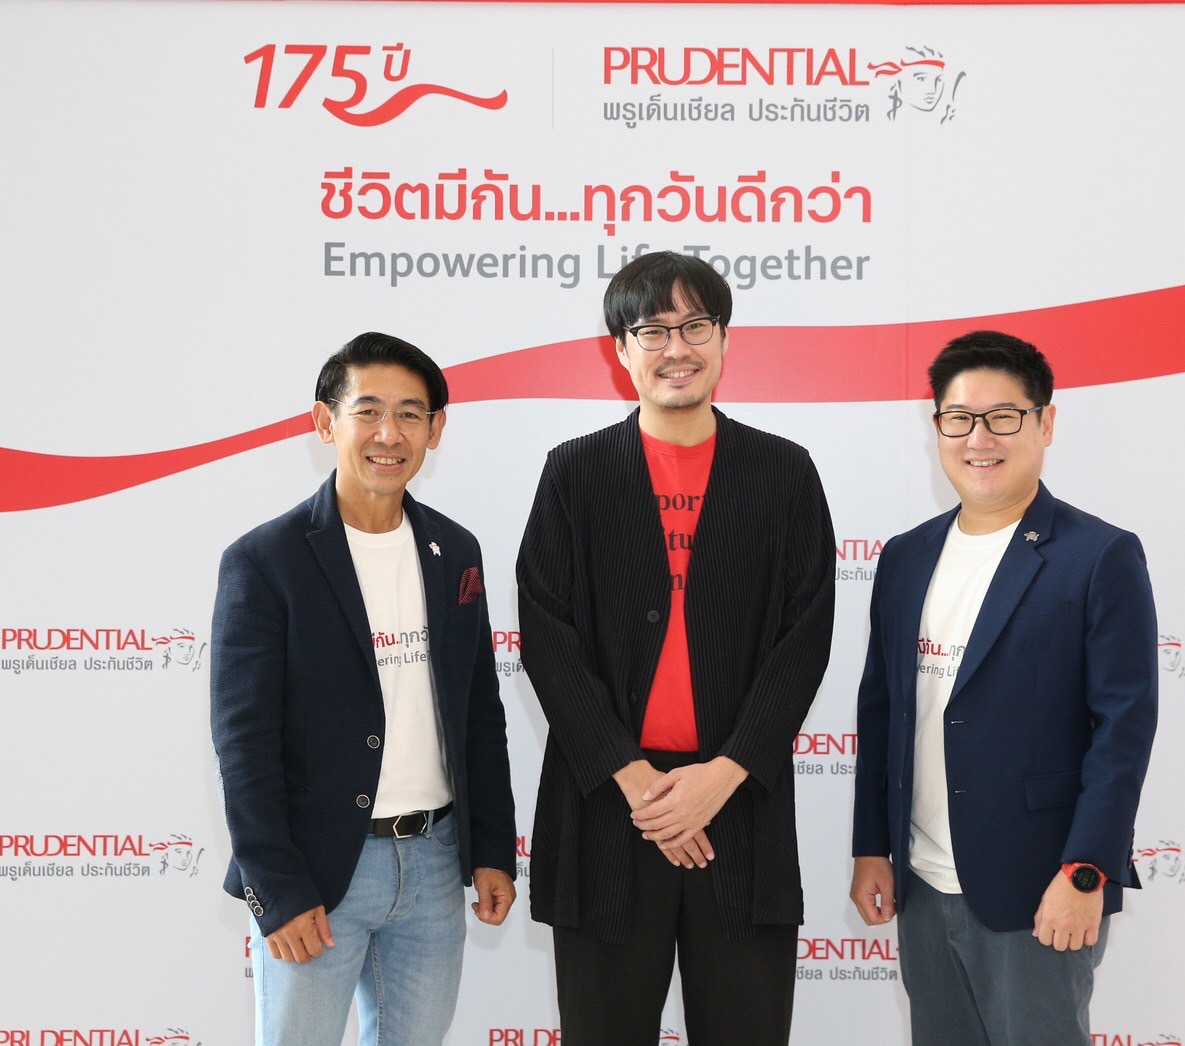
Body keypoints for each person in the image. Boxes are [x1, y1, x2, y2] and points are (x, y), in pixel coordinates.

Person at [517, 251, 835, 1046]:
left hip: (740, 809)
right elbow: (548, 641)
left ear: (725, 340)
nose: (676, 348)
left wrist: (720, 777)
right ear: (620, 351)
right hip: (608, 811)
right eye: (652, 331)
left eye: (696, 326)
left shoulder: (784, 473)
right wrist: (641, 787)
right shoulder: (575, 474)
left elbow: (805, 641)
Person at [850, 330, 1157, 1046]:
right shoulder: (905, 557)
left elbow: (1123, 731)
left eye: (1003, 416)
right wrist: (871, 846)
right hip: (923, 885)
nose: (978, 438)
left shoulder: (1098, 555)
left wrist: (1086, 872)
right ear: (937, 429)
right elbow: (883, 709)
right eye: (959, 418)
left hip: (1040, 888)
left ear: (1045, 424)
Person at [211, 332, 517, 1046]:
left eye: (411, 414)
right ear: (326, 422)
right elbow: (243, 743)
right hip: (316, 873)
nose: (389, 433)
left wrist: (492, 848)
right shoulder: (266, 561)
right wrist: (276, 888)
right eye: (369, 411)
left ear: (435, 430)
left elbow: (479, 713)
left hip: (435, 862)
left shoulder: (456, 551)